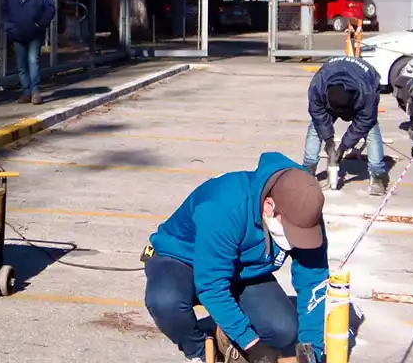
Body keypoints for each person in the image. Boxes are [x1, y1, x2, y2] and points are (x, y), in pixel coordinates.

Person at [143, 152, 328, 363]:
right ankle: (200, 351)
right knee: (165, 302)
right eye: (291, 231)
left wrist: (312, 351)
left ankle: (225, 330)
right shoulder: (225, 207)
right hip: (183, 260)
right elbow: (211, 286)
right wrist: (252, 345)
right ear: (269, 205)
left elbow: (313, 282)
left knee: (283, 330)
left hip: (241, 269)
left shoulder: (305, 209)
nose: (296, 240)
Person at [303, 55, 387, 195]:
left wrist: (343, 147)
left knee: (371, 129)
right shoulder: (318, 86)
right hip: (331, 81)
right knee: (315, 128)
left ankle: (377, 175)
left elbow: (364, 122)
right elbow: (318, 115)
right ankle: (308, 169)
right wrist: (329, 142)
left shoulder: (367, 93)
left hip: (364, 78)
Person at [2, 0, 56, 105]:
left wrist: (40, 24)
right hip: (17, 34)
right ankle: (26, 92)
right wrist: (9, 28)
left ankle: (35, 92)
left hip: (35, 33)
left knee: (33, 60)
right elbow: (5, 12)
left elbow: (50, 9)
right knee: (21, 65)